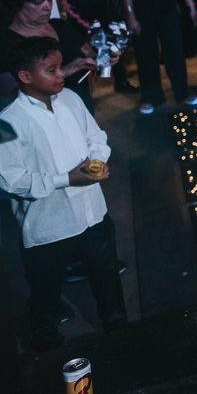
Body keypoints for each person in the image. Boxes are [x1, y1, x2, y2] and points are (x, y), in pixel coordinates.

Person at [0, 37, 128, 351]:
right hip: (47, 225)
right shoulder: (9, 121)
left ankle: (120, 333)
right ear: (25, 76)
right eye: (52, 69)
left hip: (91, 211)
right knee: (45, 292)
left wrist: (97, 161)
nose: (61, 74)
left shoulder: (69, 97)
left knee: (107, 276)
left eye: (60, 67)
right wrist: (66, 179)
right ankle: (45, 350)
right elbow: (10, 179)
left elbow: (95, 135)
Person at [0, 0, 98, 109]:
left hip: (79, 108)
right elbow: (9, 93)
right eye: (38, 2)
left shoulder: (61, 26)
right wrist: (64, 71)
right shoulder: (6, 42)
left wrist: (105, 57)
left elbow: (91, 56)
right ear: (17, 4)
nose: (48, 7)